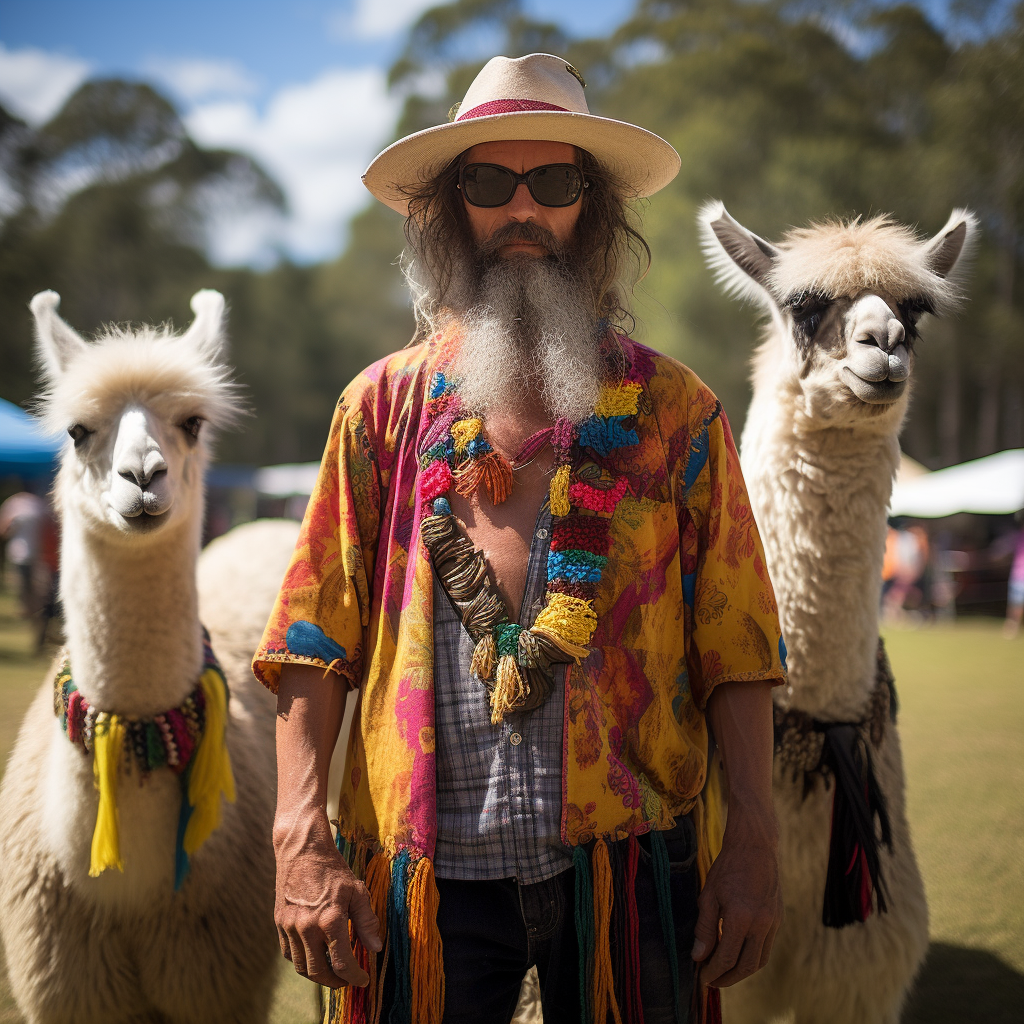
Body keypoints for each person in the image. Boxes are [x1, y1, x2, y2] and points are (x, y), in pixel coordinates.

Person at [253, 53, 787, 1024]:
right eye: (491, 182)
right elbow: (310, 638)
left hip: (634, 863)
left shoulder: (675, 410)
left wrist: (752, 836)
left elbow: (738, 644)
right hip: (427, 874)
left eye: (556, 182)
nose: (523, 210)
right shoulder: (378, 407)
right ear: (452, 208)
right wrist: (299, 833)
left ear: (595, 209)